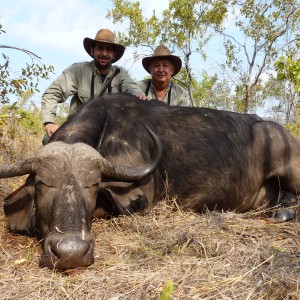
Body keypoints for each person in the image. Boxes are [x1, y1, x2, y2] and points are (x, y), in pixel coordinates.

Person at [41, 28, 147, 140]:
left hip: (110, 133)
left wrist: (138, 94)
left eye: (109, 50)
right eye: (100, 48)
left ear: (114, 54)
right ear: (92, 51)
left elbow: (131, 86)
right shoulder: (78, 70)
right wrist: (49, 122)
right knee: (48, 139)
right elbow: (51, 93)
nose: (104, 54)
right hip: (79, 129)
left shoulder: (120, 74)